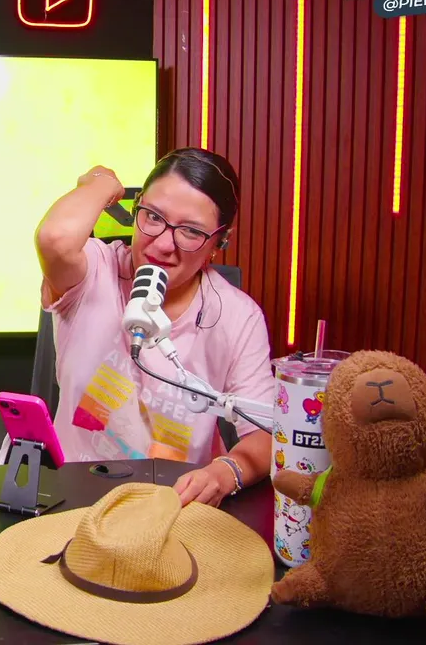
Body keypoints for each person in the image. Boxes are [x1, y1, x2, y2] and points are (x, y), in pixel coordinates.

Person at [35, 147, 274, 507]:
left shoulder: (237, 317)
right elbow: (55, 239)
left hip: (174, 508)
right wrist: (101, 184)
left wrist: (224, 473)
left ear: (219, 242)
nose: (162, 245)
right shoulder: (94, 272)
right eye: (153, 217)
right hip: (77, 500)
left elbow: (265, 434)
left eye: (190, 231)